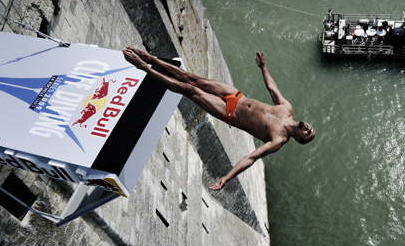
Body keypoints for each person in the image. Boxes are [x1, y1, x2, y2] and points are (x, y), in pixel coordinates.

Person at [122, 46, 315, 190]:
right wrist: (263, 67)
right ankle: (149, 58)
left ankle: (144, 68)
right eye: (311, 129)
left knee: (189, 90)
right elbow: (272, 88)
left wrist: (226, 178)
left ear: (298, 139)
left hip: (230, 113)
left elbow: (251, 157)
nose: (309, 129)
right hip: (236, 96)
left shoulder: (278, 140)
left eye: (308, 135)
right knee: (191, 78)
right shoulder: (286, 108)